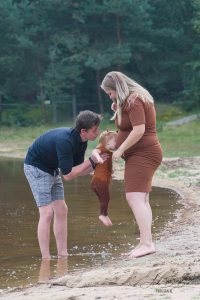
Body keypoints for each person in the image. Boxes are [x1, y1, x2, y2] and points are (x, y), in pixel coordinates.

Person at [24, 110, 108, 259]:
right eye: (95, 130)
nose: (98, 133)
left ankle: (63, 255)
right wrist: (91, 161)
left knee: (62, 210)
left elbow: (77, 171)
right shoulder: (65, 141)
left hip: (52, 169)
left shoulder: (82, 141)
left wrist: (96, 165)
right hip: (36, 168)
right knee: (47, 213)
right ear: (84, 131)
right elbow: (68, 175)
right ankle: (46, 258)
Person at [101, 71, 163, 258]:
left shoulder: (134, 100)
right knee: (141, 199)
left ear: (117, 88)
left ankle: (147, 243)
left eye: (110, 93)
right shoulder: (129, 101)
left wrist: (119, 150)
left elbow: (139, 130)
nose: (109, 96)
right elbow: (128, 125)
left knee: (134, 198)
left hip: (143, 154)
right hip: (141, 154)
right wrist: (118, 108)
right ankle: (146, 241)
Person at [91, 130, 117, 226]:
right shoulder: (102, 149)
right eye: (115, 141)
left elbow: (106, 167)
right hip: (99, 181)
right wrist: (98, 158)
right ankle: (103, 215)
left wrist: (112, 171)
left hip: (98, 182)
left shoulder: (109, 153)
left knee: (104, 199)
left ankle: (104, 214)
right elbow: (94, 151)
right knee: (106, 198)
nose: (117, 143)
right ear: (107, 142)